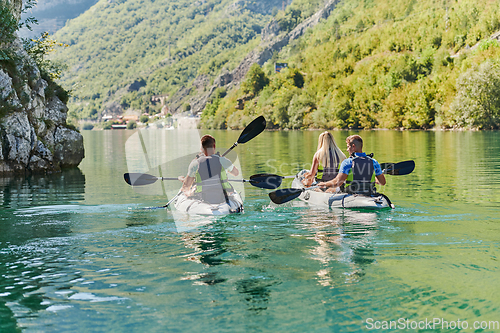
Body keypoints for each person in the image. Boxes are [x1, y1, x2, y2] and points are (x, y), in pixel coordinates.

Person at [179, 135, 239, 204]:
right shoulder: (223, 160)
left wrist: (185, 183)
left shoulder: (195, 163)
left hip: (202, 197)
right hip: (222, 196)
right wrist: (223, 160)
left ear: (201, 148)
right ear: (214, 146)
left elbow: (186, 187)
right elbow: (236, 173)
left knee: (192, 189)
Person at [317, 135, 386, 194]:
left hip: (351, 193)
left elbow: (337, 182)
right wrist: (373, 178)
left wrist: (324, 184)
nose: (347, 149)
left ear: (353, 146)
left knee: (329, 190)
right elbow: (382, 182)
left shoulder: (347, 162)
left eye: (348, 147)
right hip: (369, 193)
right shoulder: (374, 162)